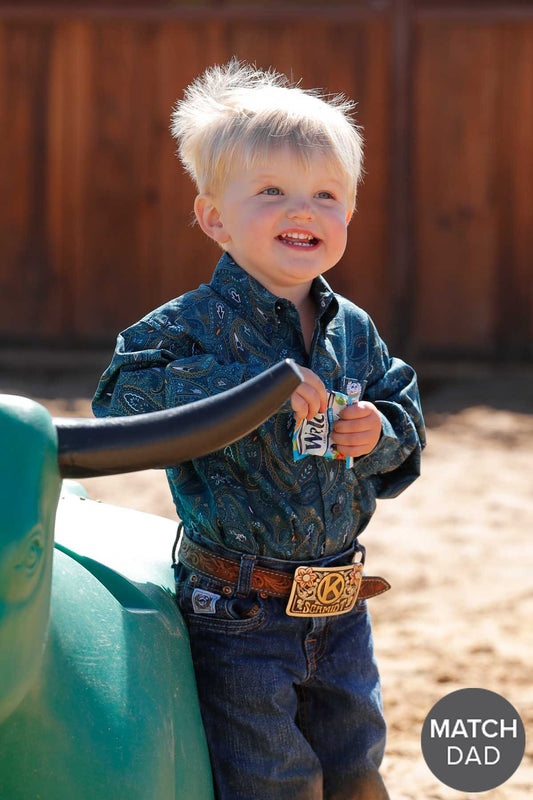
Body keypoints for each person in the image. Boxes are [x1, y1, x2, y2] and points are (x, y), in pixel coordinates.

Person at [93, 59, 425, 800]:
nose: (300, 210)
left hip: (338, 602)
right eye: (271, 191)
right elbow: (120, 403)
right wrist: (249, 392)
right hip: (234, 611)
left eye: (324, 194)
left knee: (354, 766)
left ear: (348, 214)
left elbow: (405, 418)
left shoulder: (353, 331)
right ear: (214, 217)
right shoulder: (186, 327)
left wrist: (379, 432)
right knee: (271, 778)